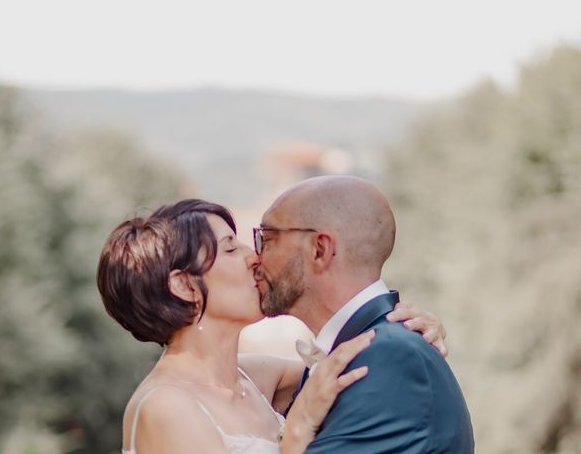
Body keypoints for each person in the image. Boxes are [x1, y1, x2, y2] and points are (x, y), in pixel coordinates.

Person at [97, 199, 449, 453]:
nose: (255, 257)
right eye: (231, 250)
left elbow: (361, 367)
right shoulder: (166, 407)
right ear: (184, 286)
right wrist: (295, 433)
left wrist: (404, 326)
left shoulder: (258, 378)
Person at [254, 175, 475, 453]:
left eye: (267, 238)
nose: (255, 258)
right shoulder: (355, 354)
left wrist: (297, 432)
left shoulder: (389, 359)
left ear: (319, 249)